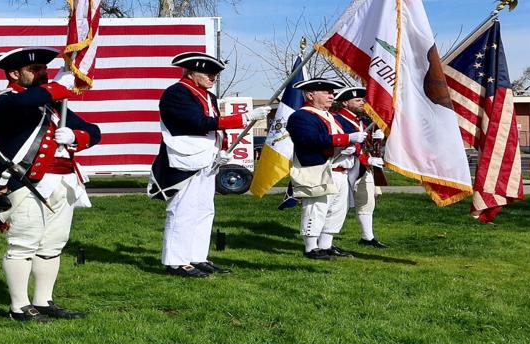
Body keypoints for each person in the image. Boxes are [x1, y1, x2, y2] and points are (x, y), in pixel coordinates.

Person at [0, 47, 101, 322]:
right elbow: (25, 102)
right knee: (23, 244)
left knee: (52, 245)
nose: (42, 73)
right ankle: (19, 307)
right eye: (34, 70)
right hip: (24, 182)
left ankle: (43, 301)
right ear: (14, 73)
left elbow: (94, 132)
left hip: (62, 182)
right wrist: (60, 85)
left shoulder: (52, 105)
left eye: (44, 69)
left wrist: (75, 137)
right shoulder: (3, 100)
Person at [147, 52, 270, 277]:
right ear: (190, 72)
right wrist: (244, 118)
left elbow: (214, 128)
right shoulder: (177, 93)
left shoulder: (208, 96)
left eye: (215, 73)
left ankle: (197, 257)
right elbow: (198, 123)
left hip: (207, 158)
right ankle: (176, 261)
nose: (212, 77)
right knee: (183, 211)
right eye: (207, 73)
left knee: (204, 210)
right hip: (185, 159)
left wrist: (222, 149)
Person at [284, 78, 365, 261]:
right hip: (320, 169)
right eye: (326, 92)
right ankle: (311, 247)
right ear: (310, 95)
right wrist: (346, 139)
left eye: (332, 92)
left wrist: (351, 145)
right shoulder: (302, 116)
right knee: (316, 208)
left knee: (337, 210)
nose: (331, 96)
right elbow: (309, 140)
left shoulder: (330, 116)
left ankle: (326, 245)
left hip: (341, 170)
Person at [333, 85, 388, 249]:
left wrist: (379, 138)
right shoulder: (336, 119)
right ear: (345, 103)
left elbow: (368, 145)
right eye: (357, 100)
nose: (362, 103)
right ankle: (324, 242)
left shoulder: (363, 121)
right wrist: (367, 159)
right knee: (336, 205)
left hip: (364, 166)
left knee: (367, 201)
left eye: (362, 100)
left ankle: (367, 237)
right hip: (344, 166)